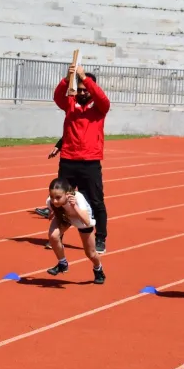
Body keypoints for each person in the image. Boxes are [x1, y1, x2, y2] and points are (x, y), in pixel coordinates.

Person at [51, 64, 111, 254]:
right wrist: (67, 79)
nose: (83, 92)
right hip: (68, 159)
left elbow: (102, 98)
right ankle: (58, 232)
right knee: (60, 200)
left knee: (96, 201)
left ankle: (100, 237)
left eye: (86, 89)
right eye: (81, 89)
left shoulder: (100, 107)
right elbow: (57, 97)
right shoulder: (69, 103)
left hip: (90, 161)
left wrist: (85, 77)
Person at [44, 178, 105, 284]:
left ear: (67, 195)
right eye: (52, 197)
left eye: (58, 197)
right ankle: (62, 263)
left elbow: (86, 220)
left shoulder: (78, 198)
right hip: (66, 216)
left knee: (90, 253)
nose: (54, 201)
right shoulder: (51, 202)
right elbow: (54, 205)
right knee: (53, 236)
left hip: (81, 217)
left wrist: (74, 206)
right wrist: (53, 211)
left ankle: (98, 269)